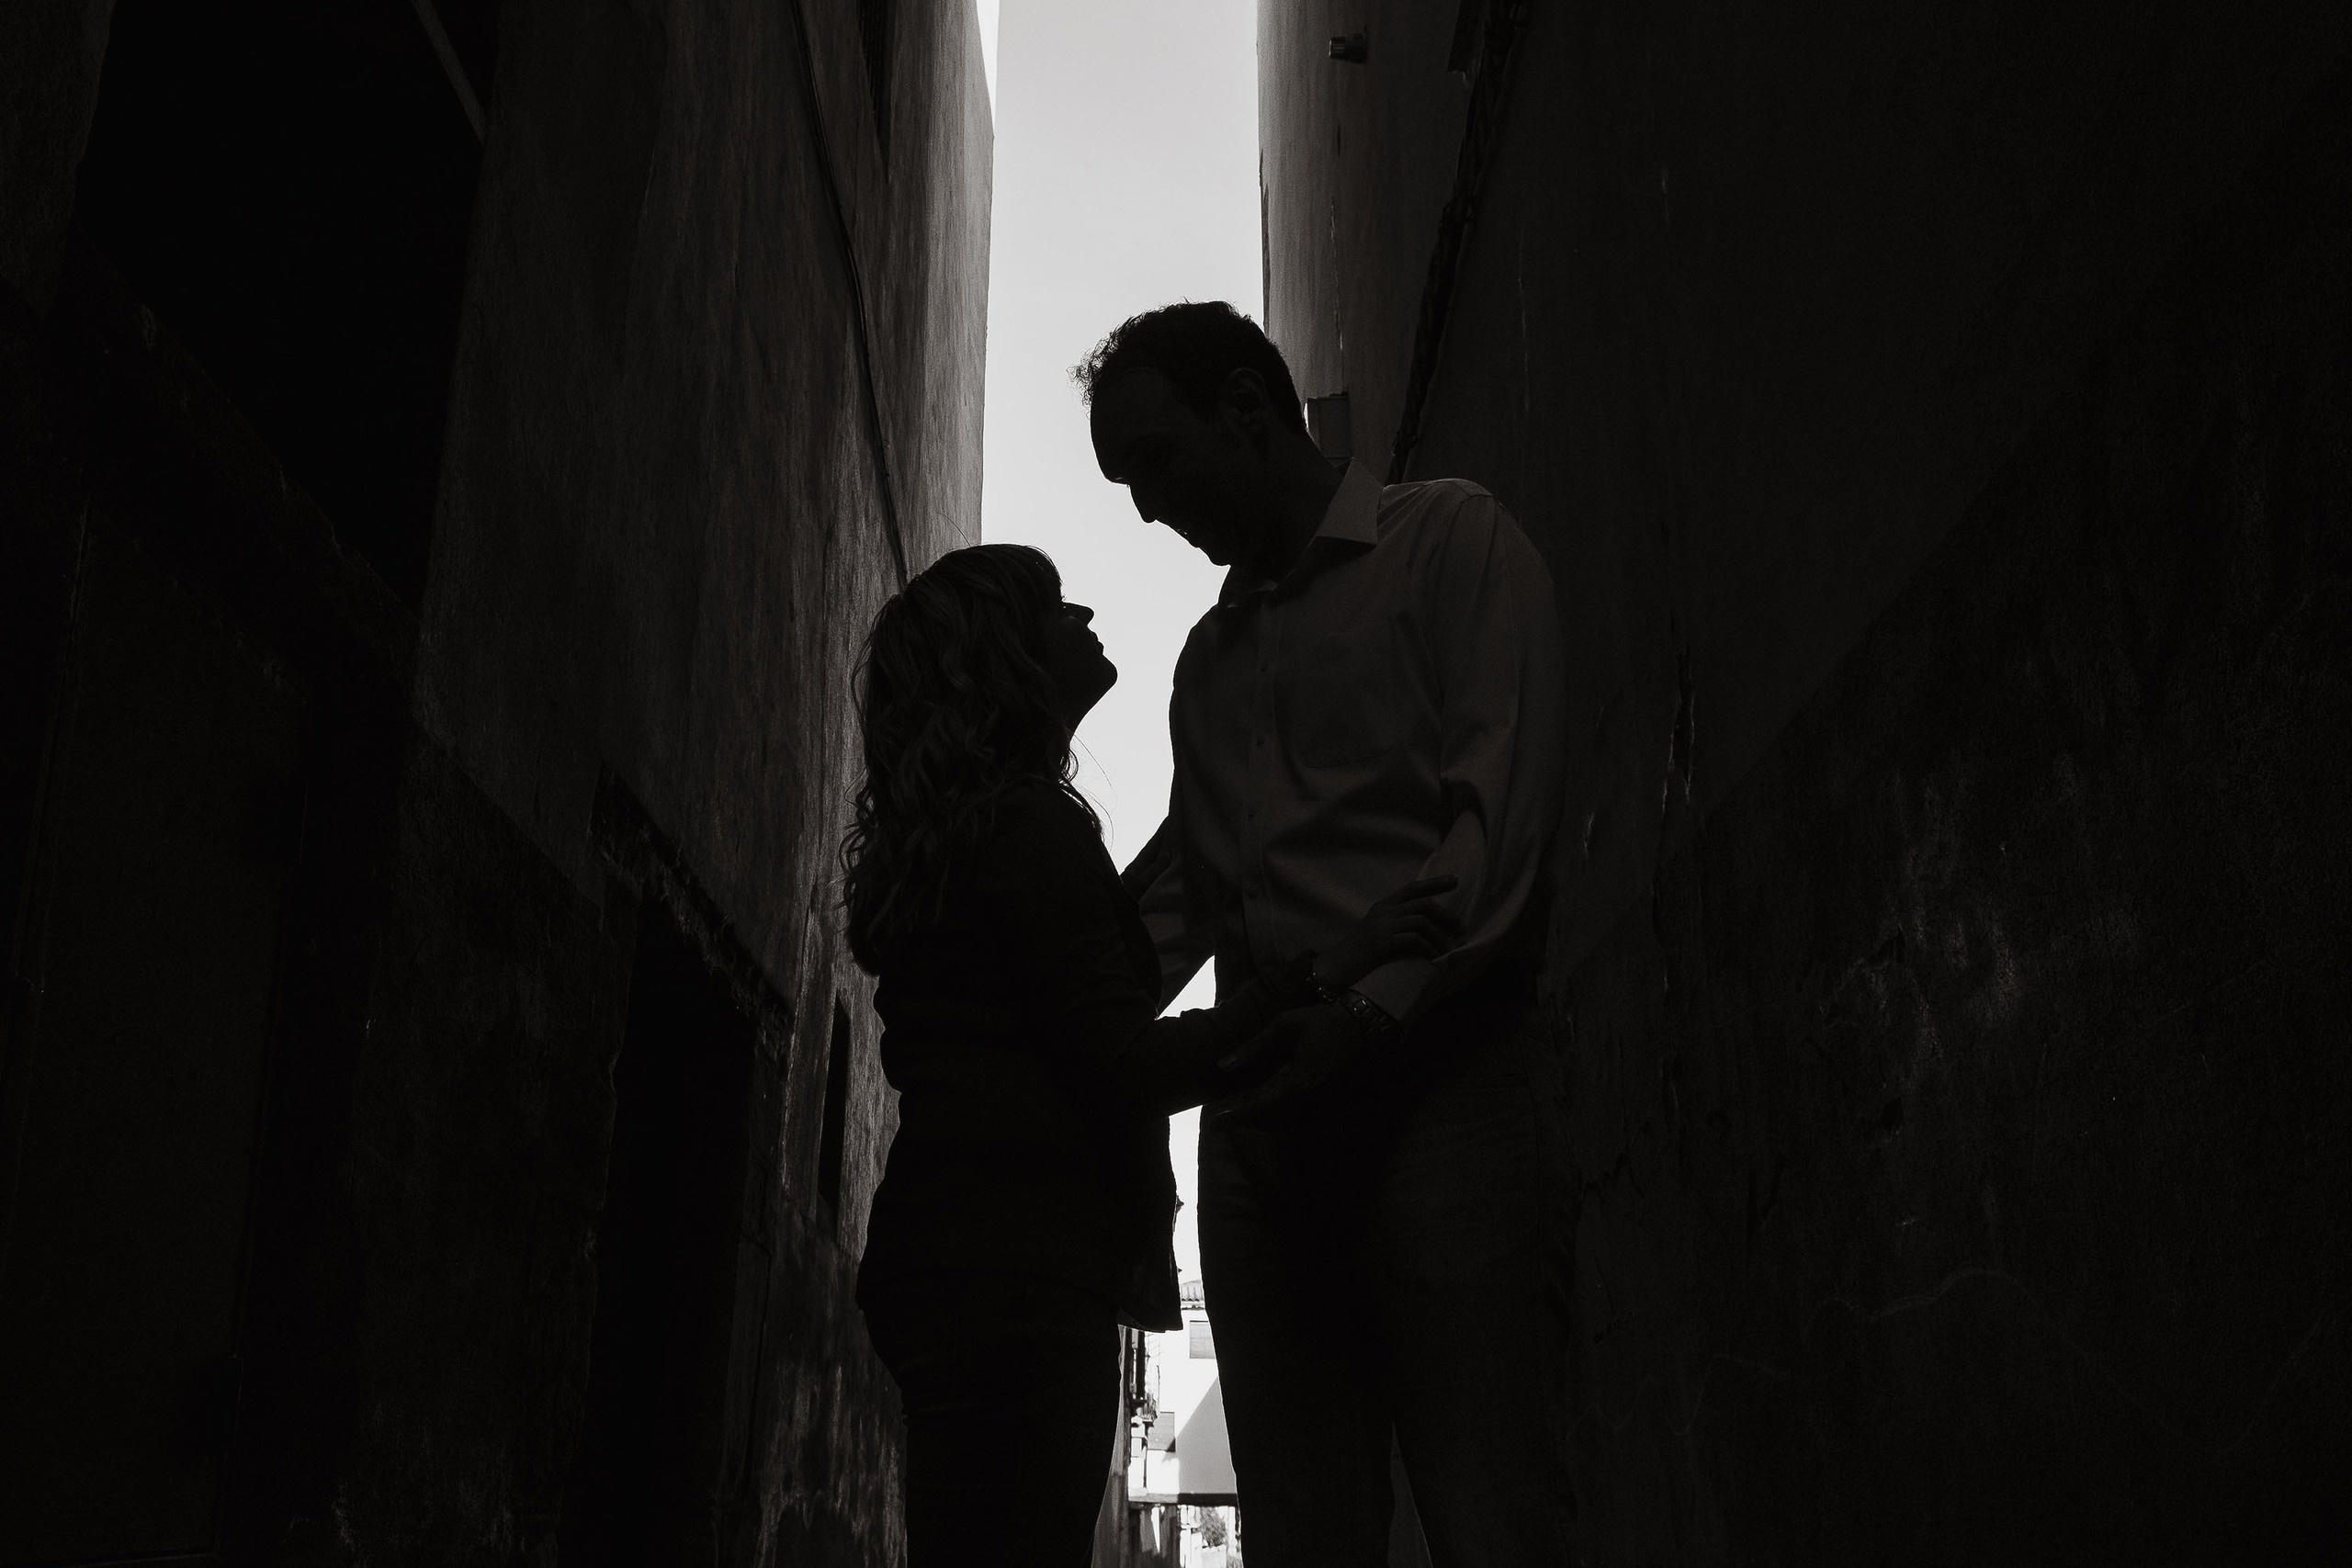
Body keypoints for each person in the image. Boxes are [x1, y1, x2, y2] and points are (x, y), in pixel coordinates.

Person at [843, 543, 1463, 1568]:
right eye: (1052, 606)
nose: (1082, 612)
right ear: (1007, 659)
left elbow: (1078, 991)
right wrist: (1325, 971)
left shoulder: (972, 837)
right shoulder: (1028, 827)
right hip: (1019, 1276)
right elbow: (1126, 1060)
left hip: (954, 1260)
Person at [1078, 301, 1575, 1568]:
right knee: (1303, 1526)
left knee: (1491, 1505)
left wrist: (1367, 1015)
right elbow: (1195, 891)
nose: (1145, 510)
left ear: (1249, 407)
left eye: (1157, 463)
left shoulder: (1452, 544)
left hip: (1441, 1090)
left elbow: (1497, 818)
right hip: (1263, 1135)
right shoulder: (1208, 662)